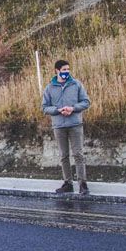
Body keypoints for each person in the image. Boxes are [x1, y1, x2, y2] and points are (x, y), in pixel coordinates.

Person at [41, 59, 91, 195]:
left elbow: (86, 102)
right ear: (57, 71)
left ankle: (83, 184)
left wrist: (73, 108)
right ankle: (67, 183)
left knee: (78, 154)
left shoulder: (76, 84)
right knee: (64, 156)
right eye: (64, 70)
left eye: (68, 69)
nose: (66, 72)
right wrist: (58, 110)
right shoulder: (50, 87)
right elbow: (45, 107)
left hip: (75, 124)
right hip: (59, 126)